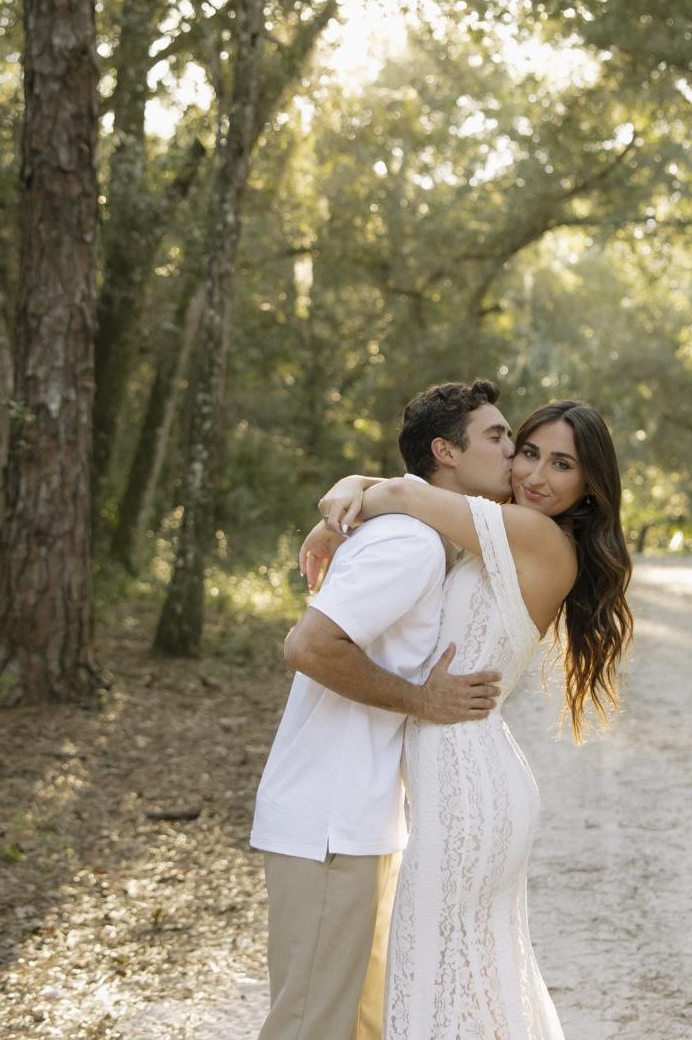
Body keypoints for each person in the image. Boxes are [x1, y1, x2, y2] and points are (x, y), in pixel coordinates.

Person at [308, 398, 634, 1039]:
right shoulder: (502, 528)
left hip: (468, 791)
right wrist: (346, 494)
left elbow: (410, 495)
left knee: (434, 983)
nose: (535, 474)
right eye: (529, 453)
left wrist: (340, 506)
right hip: (466, 777)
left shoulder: (535, 535)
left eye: (562, 464)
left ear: (589, 484)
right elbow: (411, 492)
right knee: (471, 983)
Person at [250, 378, 515, 1040]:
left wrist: (355, 492)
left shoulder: (426, 535)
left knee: (362, 1027)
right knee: (310, 1029)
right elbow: (309, 646)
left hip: (362, 824)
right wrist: (424, 701)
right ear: (445, 452)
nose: (512, 450)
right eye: (497, 436)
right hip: (328, 823)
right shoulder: (409, 544)